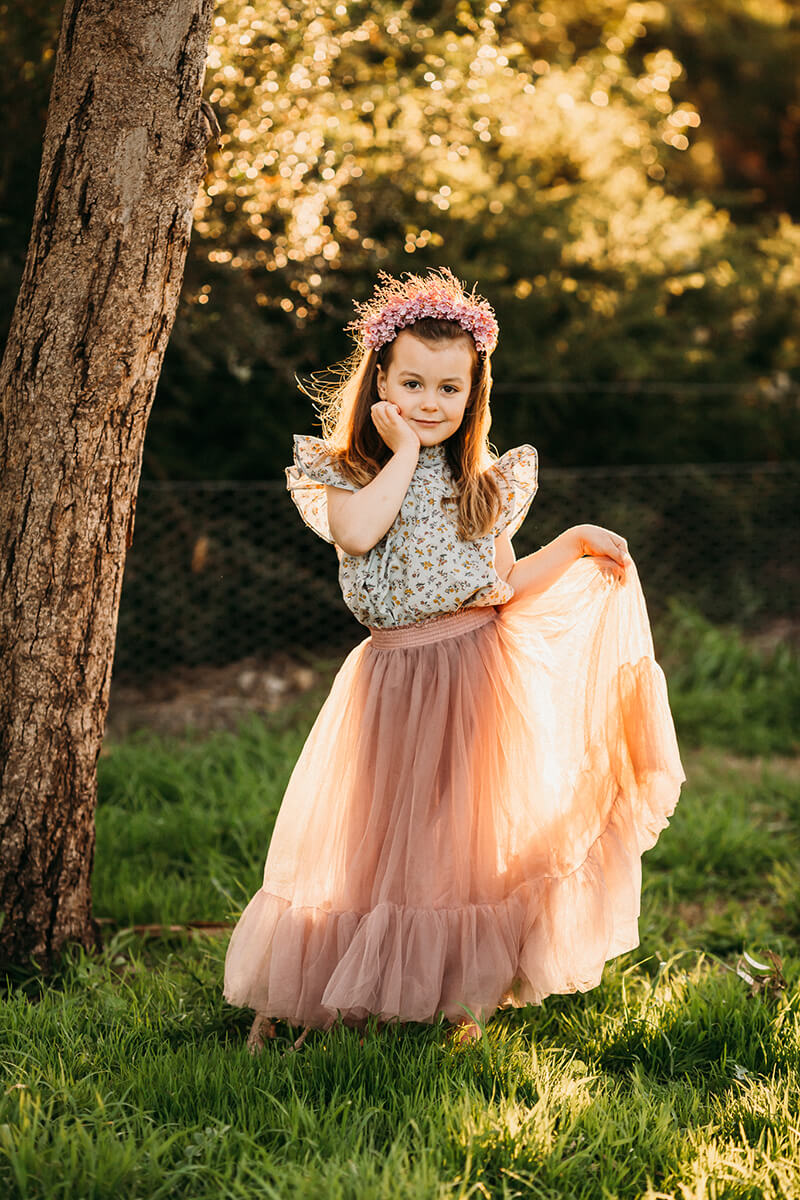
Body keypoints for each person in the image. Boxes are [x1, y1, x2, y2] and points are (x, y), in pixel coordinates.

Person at [223, 266, 686, 1054]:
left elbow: (500, 587)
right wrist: (400, 450)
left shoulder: (484, 482)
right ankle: (315, 996)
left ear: (474, 392)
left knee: (457, 843)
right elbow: (361, 533)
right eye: (413, 383)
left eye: (449, 388)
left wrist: (572, 543)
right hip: (395, 679)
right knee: (372, 838)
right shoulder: (342, 472)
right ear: (380, 381)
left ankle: (451, 989)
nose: (430, 403)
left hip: (476, 675)